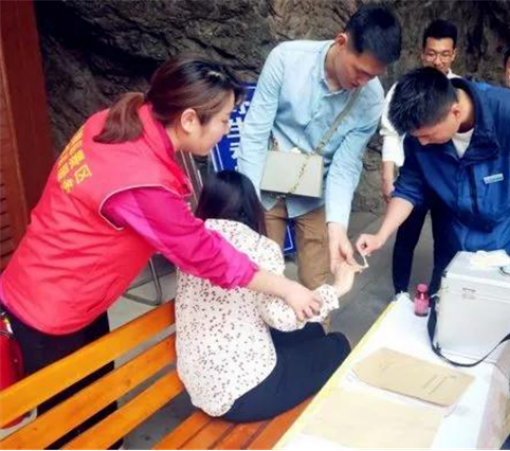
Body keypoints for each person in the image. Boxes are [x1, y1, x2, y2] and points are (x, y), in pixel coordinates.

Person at [0, 55, 320, 446]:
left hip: (67, 286)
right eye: (223, 120)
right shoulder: (139, 181)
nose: (226, 129)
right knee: (65, 421)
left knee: (97, 398)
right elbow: (205, 254)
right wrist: (286, 287)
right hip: (49, 306)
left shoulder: (111, 121)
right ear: (189, 119)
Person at [357, 67, 510, 293]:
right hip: (455, 247)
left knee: (507, 311)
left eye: (428, 135)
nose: (422, 143)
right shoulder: (420, 132)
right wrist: (380, 235)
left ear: (455, 112)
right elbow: (408, 189)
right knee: (447, 308)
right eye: (417, 137)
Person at [238, 5, 402, 293]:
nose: (362, 83)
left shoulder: (372, 98)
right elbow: (254, 134)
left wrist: (337, 227)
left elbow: (345, 165)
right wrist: (248, 204)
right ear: (341, 42)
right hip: (265, 184)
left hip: (316, 193)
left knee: (317, 283)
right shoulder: (286, 60)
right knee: (262, 277)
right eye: (360, 71)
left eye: (372, 76)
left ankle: (317, 324)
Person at [176, 170, 356, 422]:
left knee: (313, 331)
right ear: (252, 206)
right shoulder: (260, 247)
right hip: (246, 393)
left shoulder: (191, 241)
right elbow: (281, 318)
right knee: (338, 344)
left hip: (200, 384)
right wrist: (337, 289)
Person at [380, 19, 459, 294]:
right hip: (413, 178)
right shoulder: (404, 88)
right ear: (422, 53)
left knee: (445, 241)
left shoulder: (459, 90)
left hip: (446, 182)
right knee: (405, 238)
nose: (437, 61)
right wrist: (387, 177)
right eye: (431, 53)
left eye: (444, 54)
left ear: (454, 54)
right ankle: (399, 294)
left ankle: (438, 295)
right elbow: (391, 133)